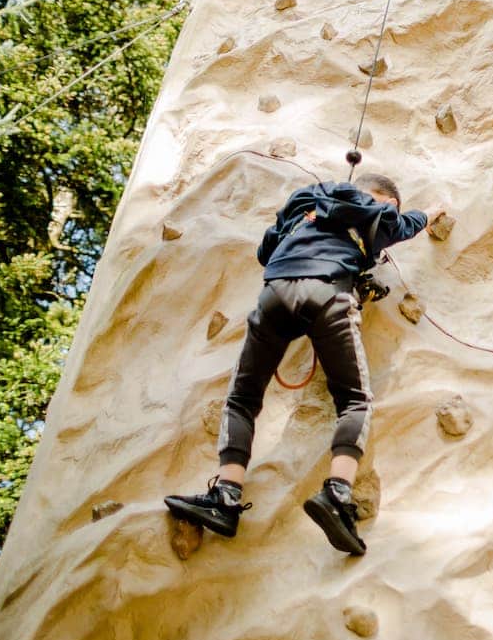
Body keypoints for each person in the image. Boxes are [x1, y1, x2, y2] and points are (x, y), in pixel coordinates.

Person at [165, 173, 440, 555]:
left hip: (275, 294)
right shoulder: (372, 206)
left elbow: (265, 249)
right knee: (354, 400)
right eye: (386, 203)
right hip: (328, 292)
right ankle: (337, 494)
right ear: (378, 196)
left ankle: (225, 497)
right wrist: (428, 213)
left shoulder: (304, 200)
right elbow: (400, 225)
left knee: (242, 398)